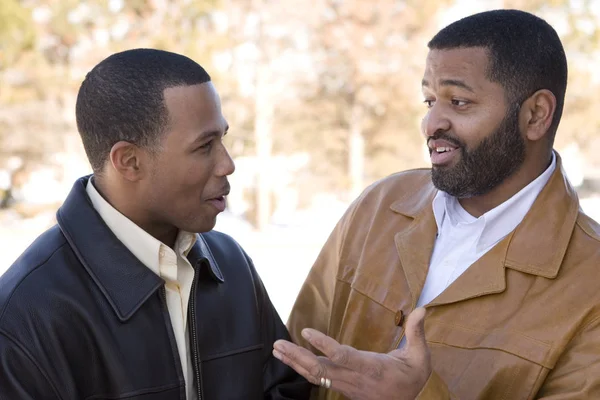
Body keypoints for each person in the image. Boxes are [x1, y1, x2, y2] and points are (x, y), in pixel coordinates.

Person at [274, 9, 600, 400]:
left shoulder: (590, 281)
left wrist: (418, 395)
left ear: (535, 115)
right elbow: (290, 368)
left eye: (458, 101)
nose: (431, 124)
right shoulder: (379, 205)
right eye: (430, 100)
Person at [0, 49, 311, 400]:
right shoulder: (25, 313)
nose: (227, 164)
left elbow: (284, 390)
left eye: (223, 139)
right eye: (205, 146)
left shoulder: (231, 264)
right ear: (129, 161)